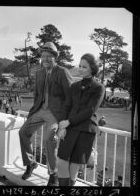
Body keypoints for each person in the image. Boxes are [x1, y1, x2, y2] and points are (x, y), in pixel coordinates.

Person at [18, 42, 73, 186]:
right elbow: (37, 95)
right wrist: (33, 112)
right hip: (40, 110)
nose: (46, 59)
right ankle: (30, 163)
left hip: (56, 114)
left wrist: (65, 120)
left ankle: (53, 173)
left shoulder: (62, 72)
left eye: (49, 56)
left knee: (49, 139)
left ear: (55, 57)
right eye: (43, 56)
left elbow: (70, 96)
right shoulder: (39, 73)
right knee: (23, 132)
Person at [56, 53, 105, 186]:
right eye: (80, 66)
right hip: (70, 127)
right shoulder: (74, 86)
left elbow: (90, 110)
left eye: (84, 67)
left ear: (92, 68)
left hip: (85, 130)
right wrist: (62, 126)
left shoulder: (99, 88)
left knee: (74, 167)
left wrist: (68, 122)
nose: (80, 69)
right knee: (61, 162)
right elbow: (66, 106)